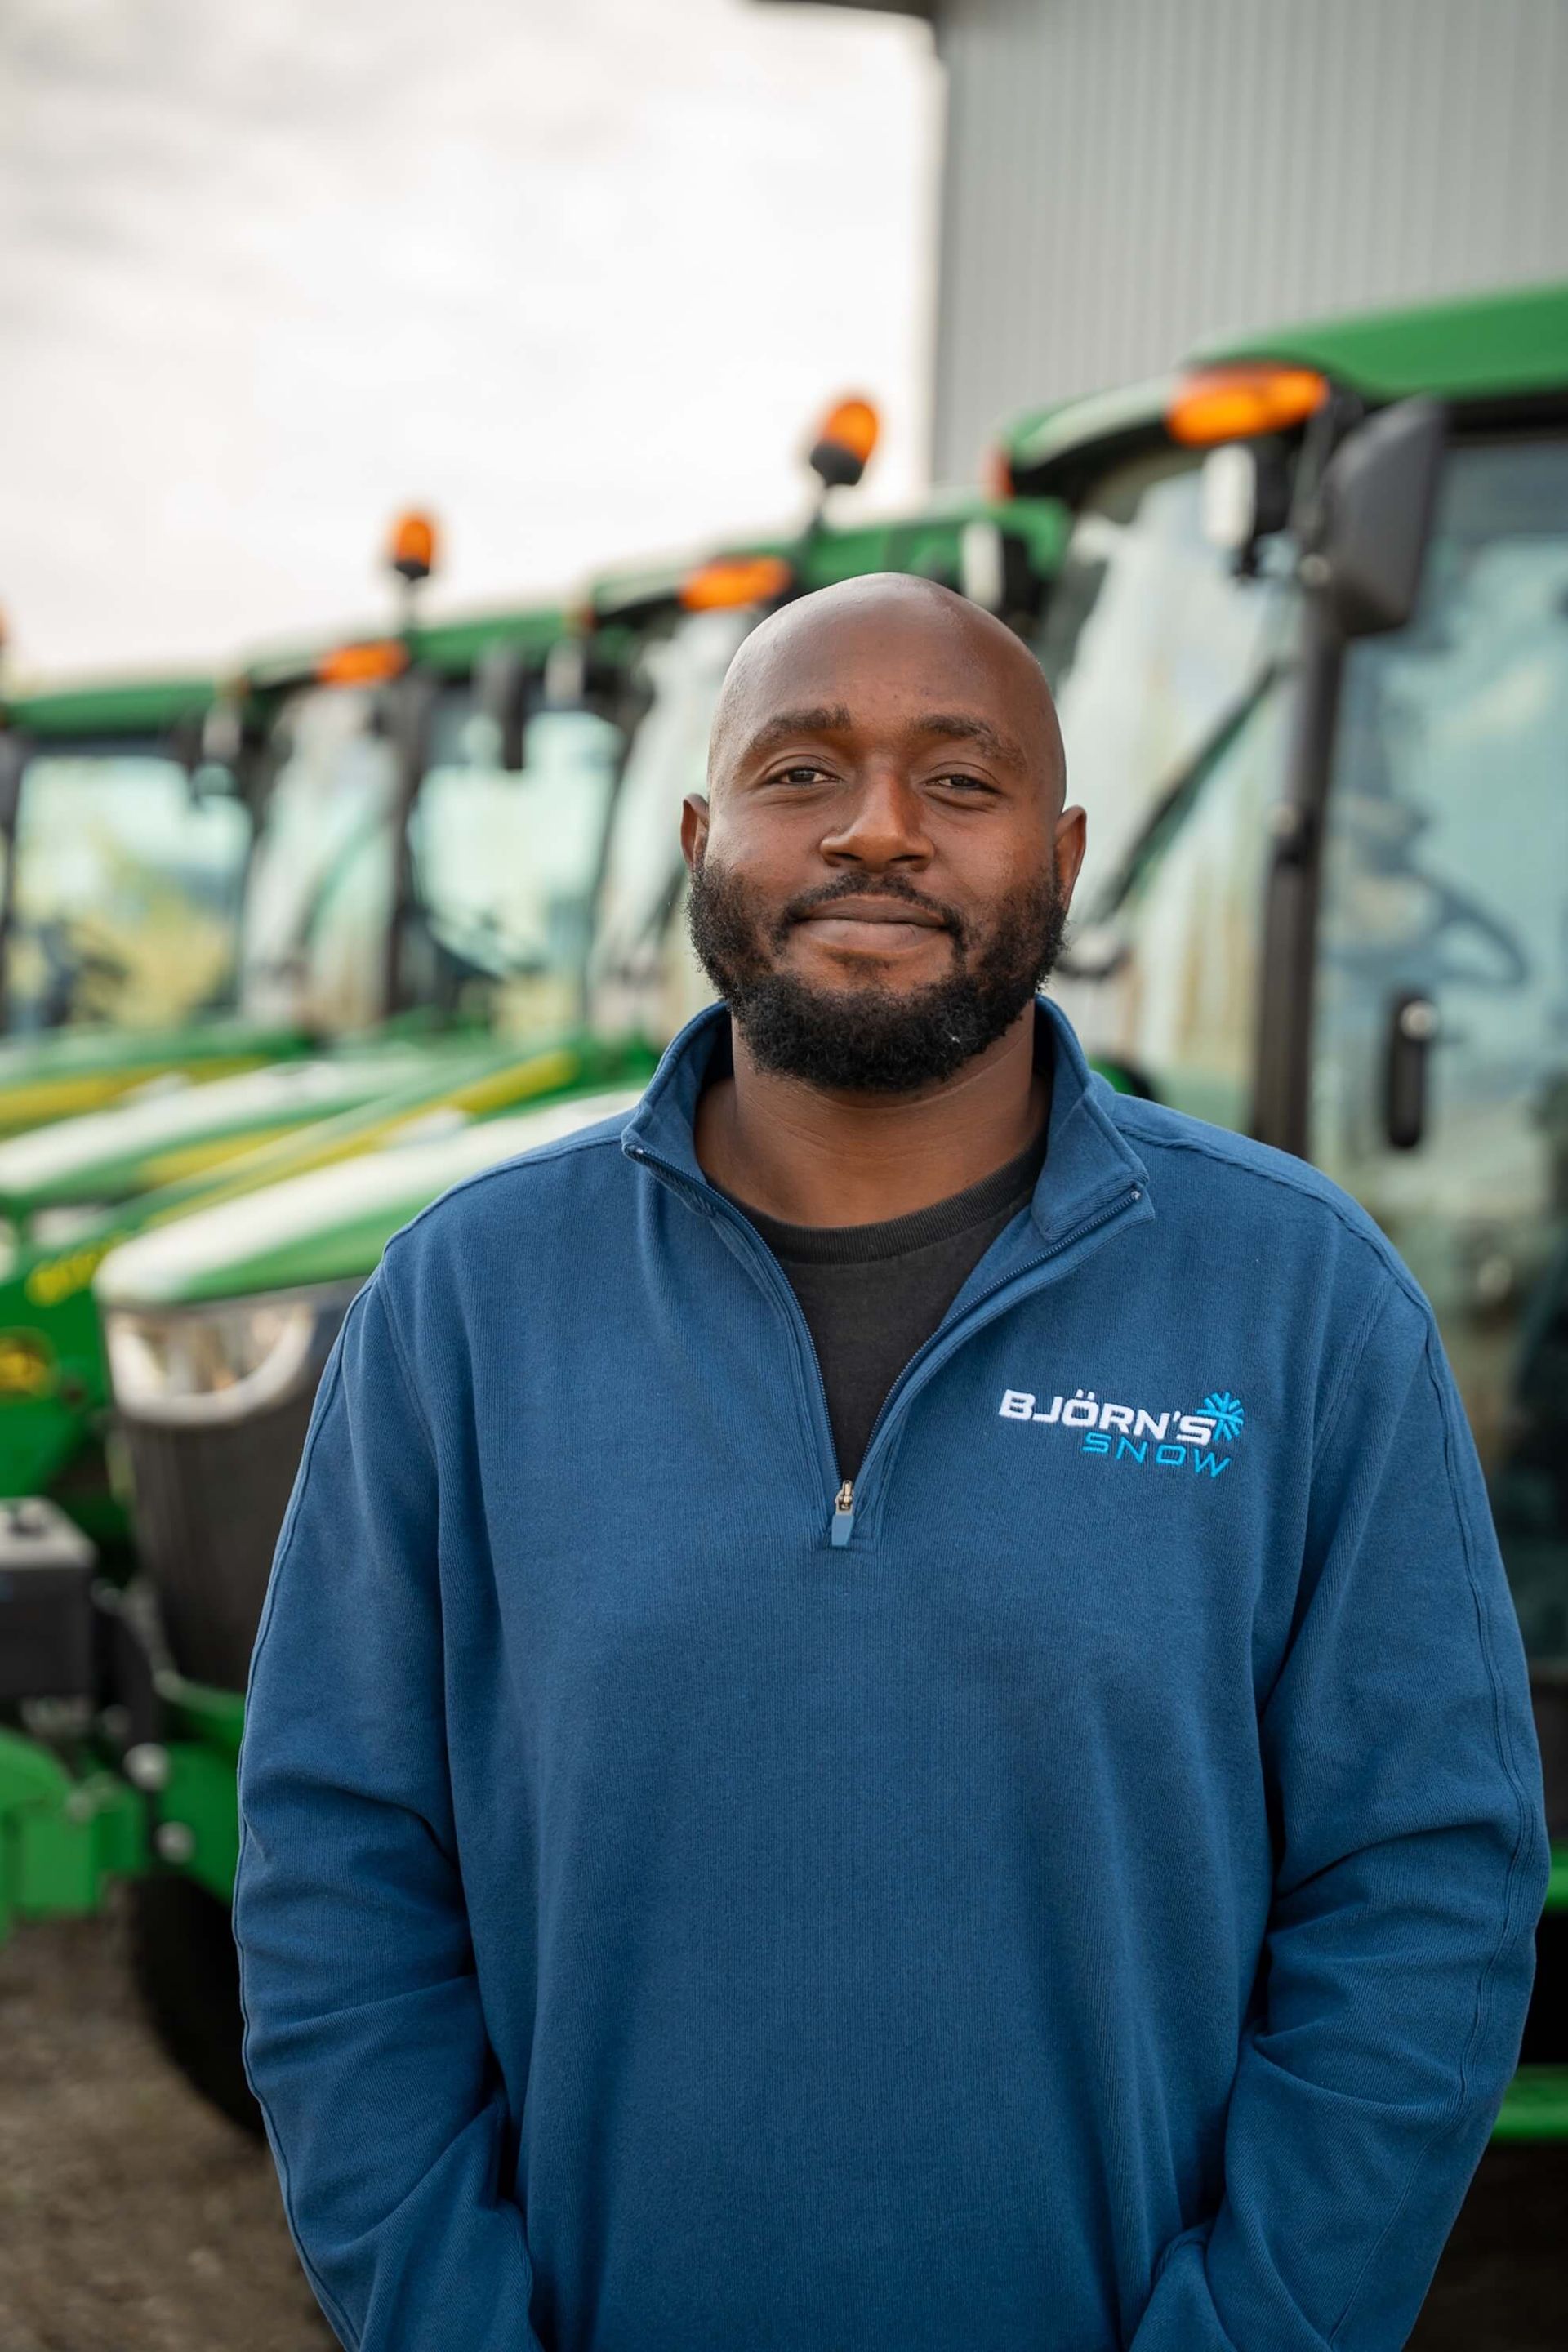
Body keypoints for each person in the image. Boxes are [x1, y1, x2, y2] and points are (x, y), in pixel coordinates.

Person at [235, 575, 1548, 2352]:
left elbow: (1425, 1891)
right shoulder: (464, 1303)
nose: (874, 829)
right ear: (702, 836)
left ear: (1066, 853)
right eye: (801, 773)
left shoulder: (1304, 1307)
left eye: (958, 780)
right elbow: (340, 1874)